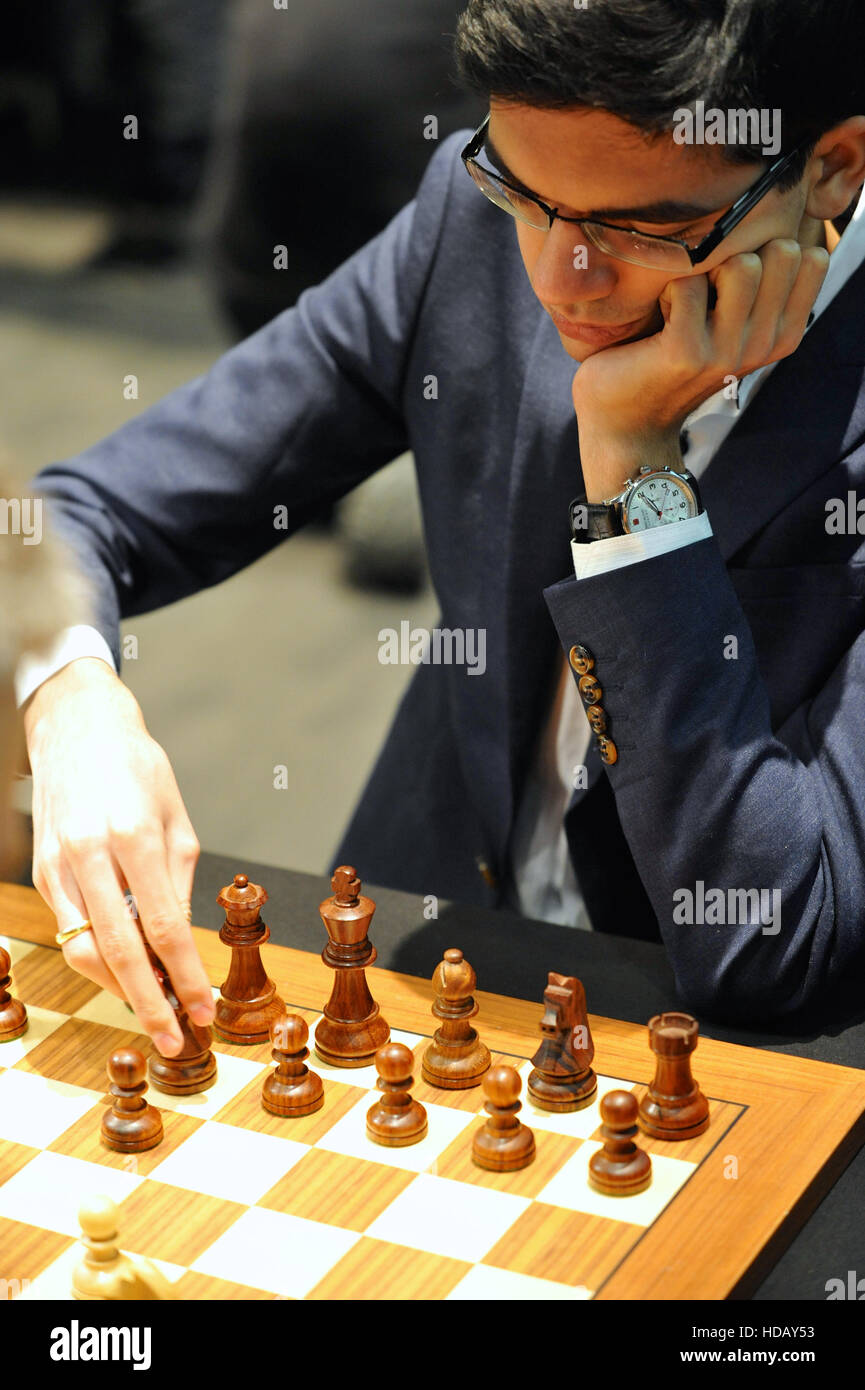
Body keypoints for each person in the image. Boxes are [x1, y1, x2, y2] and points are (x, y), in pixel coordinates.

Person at [18, 0, 865, 1049]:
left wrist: (638, 477)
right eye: (523, 192)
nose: (559, 278)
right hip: (412, 949)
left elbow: (776, 940)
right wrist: (67, 698)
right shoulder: (469, 221)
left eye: (641, 229)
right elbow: (75, 512)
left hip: (718, 1060)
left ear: (830, 167)